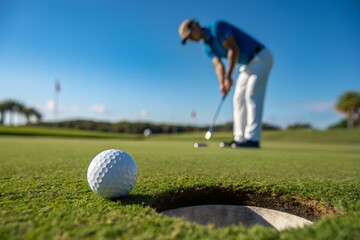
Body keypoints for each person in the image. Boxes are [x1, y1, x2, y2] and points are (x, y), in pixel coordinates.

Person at [178, 19, 273, 148]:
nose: (190, 39)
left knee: (251, 94)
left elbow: (233, 49)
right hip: (246, 65)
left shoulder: (217, 27)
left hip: (260, 57)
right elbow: (218, 65)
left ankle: (253, 139)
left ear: (195, 26)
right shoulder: (206, 47)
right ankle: (239, 138)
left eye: (190, 35)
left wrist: (228, 77)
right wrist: (222, 83)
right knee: (238, 99)